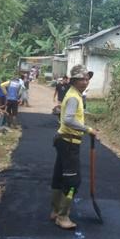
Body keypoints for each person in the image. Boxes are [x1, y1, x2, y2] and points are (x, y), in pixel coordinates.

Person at [50, 65, 98, 229]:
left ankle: (56, 210)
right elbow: (69, 120)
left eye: (87, 79)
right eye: (82, 79)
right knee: (72, 182)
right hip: (69, 143)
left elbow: (71, 117)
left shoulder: (74, 95)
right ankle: (63, 216)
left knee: (59, 176)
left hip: (64, 140)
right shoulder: (73, 97)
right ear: (74, 81)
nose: (85, 82)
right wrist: (88, 129)